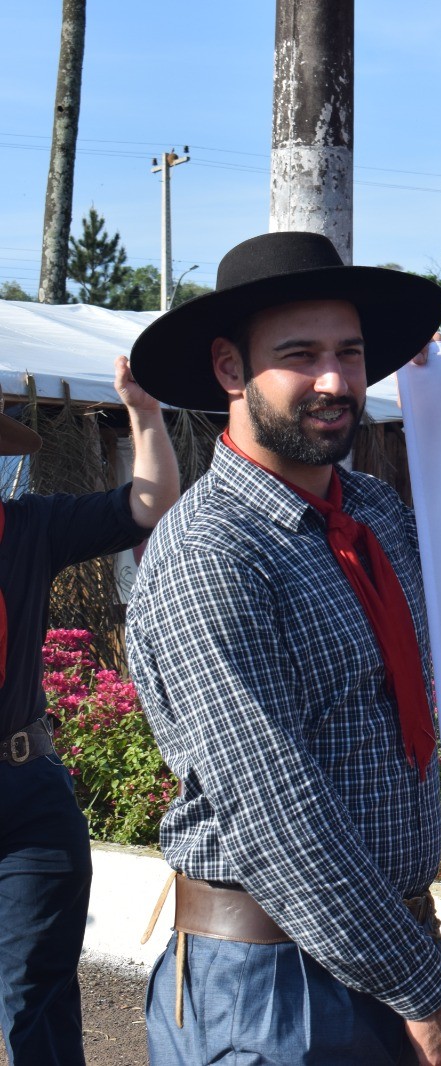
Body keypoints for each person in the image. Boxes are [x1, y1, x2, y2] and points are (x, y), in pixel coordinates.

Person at [125, 231, 441, 1065]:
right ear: (229, 368)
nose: (335, 381)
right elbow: (274, 810)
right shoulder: (211, 554)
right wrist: (428, 993)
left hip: (384, 947)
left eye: (352, 353)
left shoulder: (373, 514)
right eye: (301, 356)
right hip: (270, 989)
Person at [0, 358, 179, 1066]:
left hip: (28, 790)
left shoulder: (27, 528)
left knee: (35, 997)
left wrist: (144, 413)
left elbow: (149, 504)